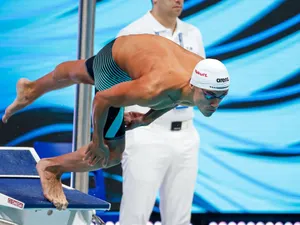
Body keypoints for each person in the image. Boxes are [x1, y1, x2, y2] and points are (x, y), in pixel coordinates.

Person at [2, 34, 230, 211]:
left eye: (222, 95)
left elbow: (179, 96)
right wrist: (97, 141)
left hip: (124, 49)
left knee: (81, 71)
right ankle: (51, 168)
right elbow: (102, 99)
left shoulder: (202, 79)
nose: (216, 102)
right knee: (111, 154)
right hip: (115, 67)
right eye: (210, 95)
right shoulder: (155, 88)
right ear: (194, 85)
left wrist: (145, 119)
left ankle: (31, 88)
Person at [116, 0, 205, 224]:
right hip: (147, 133)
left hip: (186, 134)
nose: (179, 0)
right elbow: (114, 85)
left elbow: (203, 84)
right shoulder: (133, 33)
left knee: (180, 220)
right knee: (135, 217)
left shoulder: (193, 33)